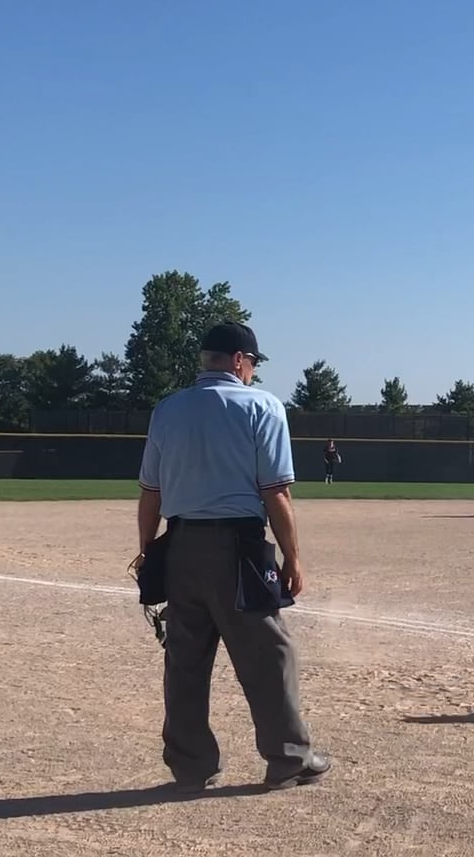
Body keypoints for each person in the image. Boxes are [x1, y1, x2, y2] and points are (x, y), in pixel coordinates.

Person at [134, 322, 331, 791]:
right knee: (270, 654)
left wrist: (147, 552)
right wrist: (292, 557)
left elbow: (150, 492)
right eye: (253, 363)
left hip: (180, 546)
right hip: (237, 549)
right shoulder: (262, 405)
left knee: (185, 661)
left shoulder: (168, 409)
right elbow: (276, 492)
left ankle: (191, 767)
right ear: (240, 361)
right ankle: (288, 758)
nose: (253, 371)